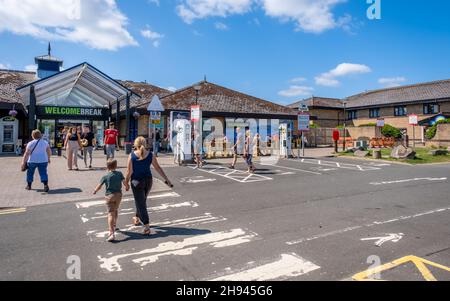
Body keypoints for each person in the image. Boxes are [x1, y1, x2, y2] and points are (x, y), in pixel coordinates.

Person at [125, 136, 173, 236]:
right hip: (148, 181)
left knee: (141, 203)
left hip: (136, 182)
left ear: (135, 144)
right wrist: (166, 179)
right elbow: (158, 168)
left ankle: (146, 226)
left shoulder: (132, 155)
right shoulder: (150, 155)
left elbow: (129, 172)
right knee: (142, 200)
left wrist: (126, 183)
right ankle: (137, 218)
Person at [93, 159, 128, 242]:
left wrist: (95, 190)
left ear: (107, 167)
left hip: (109, 196)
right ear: (116, 166)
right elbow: (124, 182)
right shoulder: (119, 174)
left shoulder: (105, 176)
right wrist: (127, 186)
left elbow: (99, 185)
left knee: (110, 214)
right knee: (115, 210)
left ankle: (111, 233)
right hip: (119, 195)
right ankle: (114, 225)